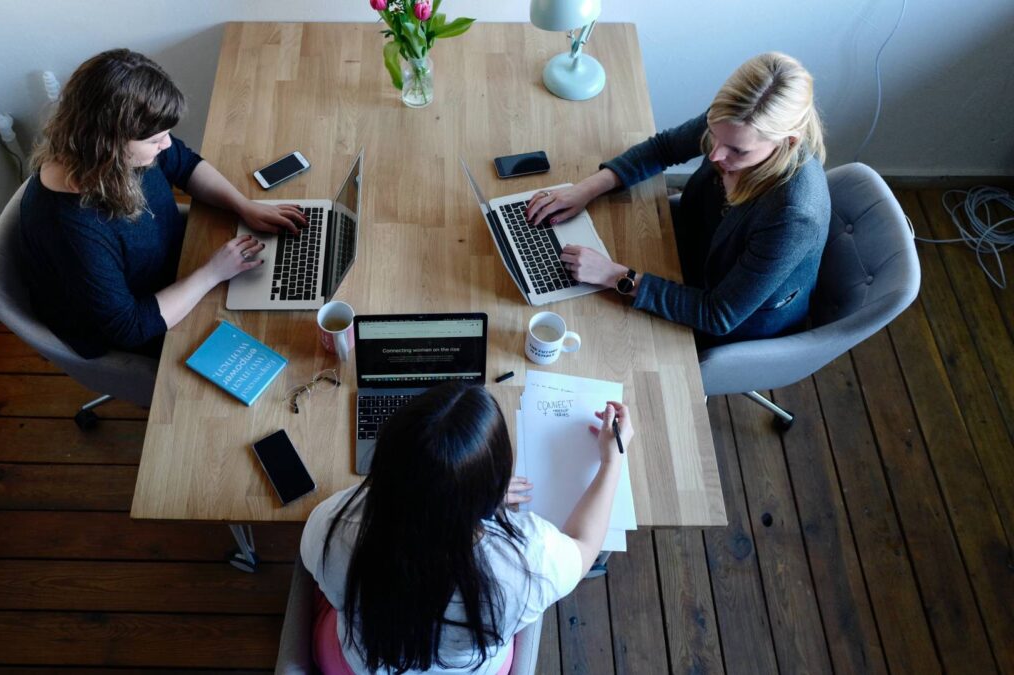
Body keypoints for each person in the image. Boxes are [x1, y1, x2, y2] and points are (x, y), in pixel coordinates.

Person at [300, 383, 633, 674]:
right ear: (493, 488)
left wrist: (461, 492)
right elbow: (584, 545)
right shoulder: (529, 561)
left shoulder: (331, 523)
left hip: (356, 665)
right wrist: (611, 460)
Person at [527, 52, 830, 346]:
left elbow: (718, 314)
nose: (715, 154)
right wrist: (585, 189)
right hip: (686, 251)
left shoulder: (793, 215)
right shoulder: (734, 121)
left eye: (737, 151)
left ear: (788, 142)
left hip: (727, 320)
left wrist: (613, 275)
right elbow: (664, 148)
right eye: (713, 134)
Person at [19, 48, 306, 359]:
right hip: (145, 319)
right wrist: (211, 273)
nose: (166, 144)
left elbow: (183, 164)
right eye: (155, 140)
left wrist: (243, 205)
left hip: (180, 264)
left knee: (283, 299)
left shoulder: (113, 155)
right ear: (109, 144)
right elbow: (127, 327)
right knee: (276, 339)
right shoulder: (71, 229)